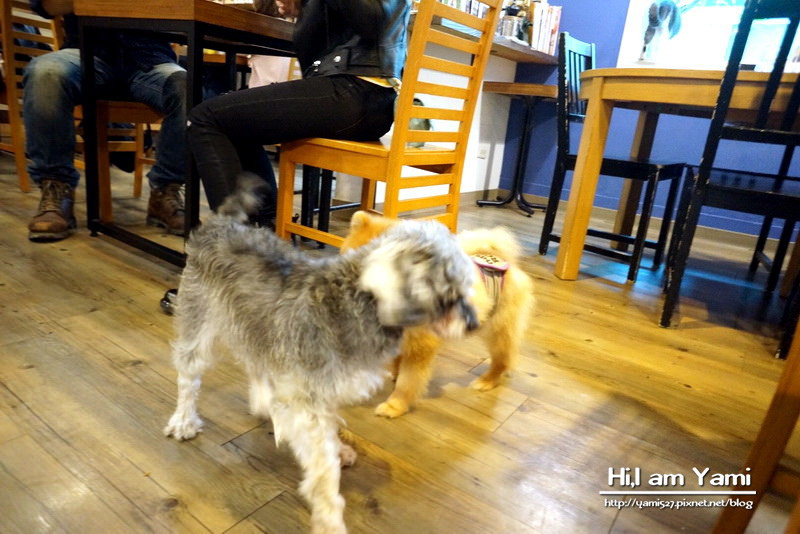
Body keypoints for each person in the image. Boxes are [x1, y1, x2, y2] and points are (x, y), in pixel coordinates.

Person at [187, 0, 411, 224]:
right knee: (236, 120)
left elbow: (373, 22)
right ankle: (268, 227)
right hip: (364, 98)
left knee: (205, 118)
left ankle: (234, 249)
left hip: (355, 94)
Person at [24, 0, 188, 241]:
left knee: (188, 87)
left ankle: (166, 191)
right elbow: (46, 6)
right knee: (45, 73)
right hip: (86, 51)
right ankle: (56, 189)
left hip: (150, 59)